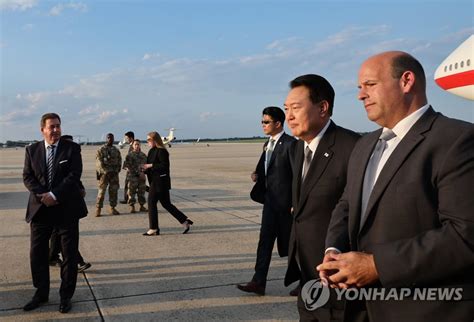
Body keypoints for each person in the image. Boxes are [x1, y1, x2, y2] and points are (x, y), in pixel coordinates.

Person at [318, 51, 474, 321]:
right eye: (359, 88)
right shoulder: (364, 144)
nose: (360, 95)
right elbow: (347, 205)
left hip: (425, 309)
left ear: (406, 81)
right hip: (363, 307)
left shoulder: (457, 140)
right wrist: (334, 250)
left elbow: (465, 235)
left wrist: (376, 265)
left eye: (370, 85)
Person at [281, 75, 360, 321]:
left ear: (323, 108)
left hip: (338, 275)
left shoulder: (353, 147)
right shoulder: (296, 148)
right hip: (306, 271)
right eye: (286, 110)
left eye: (296, 108)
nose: (289, 116)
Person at [22, 113, 88, 313]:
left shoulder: (72, 148)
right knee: (37, 254)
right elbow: (27, 176)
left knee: (68, 255)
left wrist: (55, 195)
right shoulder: (31, 150)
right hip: (40, 209)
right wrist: (44, 195)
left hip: (66, 209)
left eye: (58, 126)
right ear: (42, 129)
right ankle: (41, 293)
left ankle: (65, 296)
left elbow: (74, 175)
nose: (56, 130)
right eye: (51, 127)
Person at [237, 106, 296, 296]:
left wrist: (295, 202)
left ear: (278, 123)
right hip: (270, 203)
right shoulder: (267, 144)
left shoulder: (290, 144)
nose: (263, 125)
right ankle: (258, 282)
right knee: (264, 243)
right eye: (262, 121)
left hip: (287, 206)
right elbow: (266, 166)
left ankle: (306, 281)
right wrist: (257, 174)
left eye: (266, 122)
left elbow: (297, 176)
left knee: (293, 245)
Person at [49, 135, 91, 273]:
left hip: (69, 202)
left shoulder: (70, 158)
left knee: (59, 232)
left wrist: (81, 188)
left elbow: (74, 176)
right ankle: (77, 262)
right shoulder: (55, 159)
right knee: (66, 236)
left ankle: (52, 257)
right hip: (59, 201)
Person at [141, 131, 193, 236]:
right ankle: (184, 221)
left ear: (155, 140)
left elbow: (164, 166)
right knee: (166, 204)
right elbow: (150, 167)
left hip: (160, 182)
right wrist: (144, 170)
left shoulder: (162, 151)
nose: (147, 142)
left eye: (149, 139)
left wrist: (150, 166)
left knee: (151, 202)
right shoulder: (151, 151)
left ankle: (154, 228)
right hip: (155, 181)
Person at [95, 133, 122, 216]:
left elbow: (119, 160)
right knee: (101, 192)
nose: (110, 139)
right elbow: (98, 162)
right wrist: (105, 171)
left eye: (112, 138)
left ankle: (112, 208)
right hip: (104, 175)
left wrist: (117, 170)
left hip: (114, 174)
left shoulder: (116, 150)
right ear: (106, 139)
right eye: (108, 137)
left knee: (114, 191)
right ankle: (98, 209)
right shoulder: (101, 149)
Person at [122, 139, 148, 213]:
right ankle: (132, 207)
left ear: (140, 145)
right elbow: (125, 166)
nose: (137, 146)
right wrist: (134, 171)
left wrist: (143, 172)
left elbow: (146, 166)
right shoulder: (129, 155)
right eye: (135, 144)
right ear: (133, 146)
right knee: (131, 192)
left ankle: (142, 206)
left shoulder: (143, 155)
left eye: (138, 144)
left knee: (141, 192)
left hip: (141, 177)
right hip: (132, 177)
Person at [120, 131, 135, 204]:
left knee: (130, 184)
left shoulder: (134, 146)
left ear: (131, 138)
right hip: (129, 169)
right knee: (128, 184)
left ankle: (127, 199)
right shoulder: (131, 145)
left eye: (126, 138)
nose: (125, 140)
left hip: (132, 170)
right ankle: (126, 198)